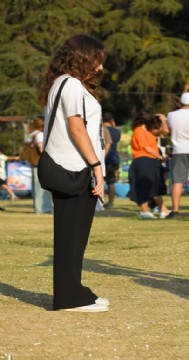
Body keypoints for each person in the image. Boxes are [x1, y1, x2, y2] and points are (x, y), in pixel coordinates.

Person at [37, 34, 109, 312]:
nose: (100, 68)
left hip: (72, 167)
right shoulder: (71, 84)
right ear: (81, 57)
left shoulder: (63, 84)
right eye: (97, 60)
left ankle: (75, 290)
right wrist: (96, 166)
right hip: (73, 168)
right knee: (70, 236)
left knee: (75, 236)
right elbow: (76, 128)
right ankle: (68, 298)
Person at [128, 113, 171, 219]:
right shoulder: (139, 131)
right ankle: (145, 210)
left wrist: (164, 120)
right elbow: (146, 147)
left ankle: (163, 209)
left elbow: (165, 131)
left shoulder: (148, 131)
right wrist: (160, 157)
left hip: (151, 160)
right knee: (144, 185)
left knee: (155, 185)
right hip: (143, 159)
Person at [25, 116, 53, 213]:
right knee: (42, 188)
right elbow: (41, 148)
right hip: (40, 163)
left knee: (37, 188)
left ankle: (39, 208)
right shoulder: (40, 135)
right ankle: (43, 208)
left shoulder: (32, 135)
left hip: (34, 163)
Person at [103, 112, 121, 209]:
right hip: (113, 158)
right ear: (112, 121)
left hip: (101, 158)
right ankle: (110, 202)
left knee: (99, 181)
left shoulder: (100, 130)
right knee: (111, 182)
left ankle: (99, 201)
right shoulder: (117, 132)